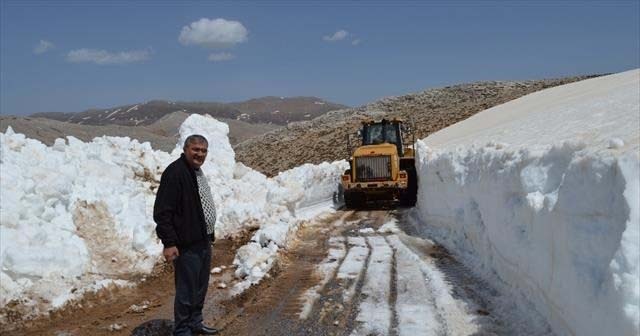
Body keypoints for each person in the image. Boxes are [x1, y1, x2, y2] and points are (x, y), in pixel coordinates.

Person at [154, 134, 218, 336]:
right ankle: (182, 331)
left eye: (203, 150)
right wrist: (169, 242)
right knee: (186, 291)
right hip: (186, 244)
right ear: (185, 149)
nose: (200, 154)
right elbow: (163, 212)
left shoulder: (196, 172)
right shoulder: (175, 173)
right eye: (196, 149)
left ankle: (196, 323)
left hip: (203, 240)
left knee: (200, 288)